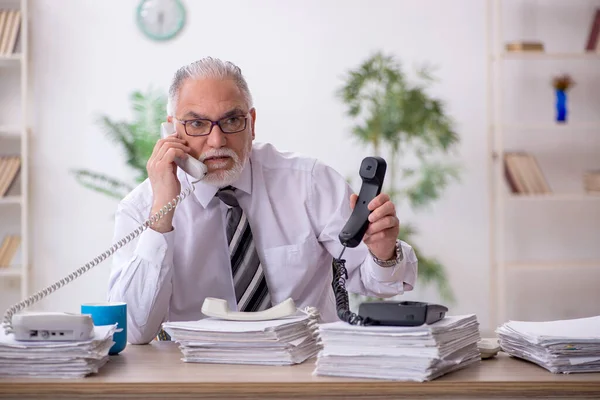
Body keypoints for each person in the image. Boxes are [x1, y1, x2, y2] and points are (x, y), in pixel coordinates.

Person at [107, 57, 418, 345]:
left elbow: (378, 283)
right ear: (172, 130)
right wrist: (162, 215)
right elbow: (135, 330)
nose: (216, 141)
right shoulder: (142, 207)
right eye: (197, 124)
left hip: (303, 372)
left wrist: (383, 253)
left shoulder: (309, 182)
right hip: (197, 376)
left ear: (252, 123)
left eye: (231, 121)